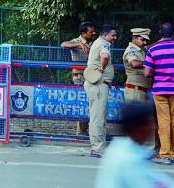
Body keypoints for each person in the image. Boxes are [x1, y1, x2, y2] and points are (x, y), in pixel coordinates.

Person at [144, 22, 174, 164]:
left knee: (163, 122)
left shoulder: (152, 50)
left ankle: (165, 154)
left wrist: (160, 71)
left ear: (161, 33)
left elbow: (147, 73)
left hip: (159, 90)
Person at [83, 25, 117, 158]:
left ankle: (99, 146)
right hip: (98, 84)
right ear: (105, 35)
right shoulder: (104, 44)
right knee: (98, 117)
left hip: (98, 84)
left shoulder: (99, 42)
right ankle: (97, 147)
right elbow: (105, 56)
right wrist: (102, 69)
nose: (115, 38)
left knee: (99, 116)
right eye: (113, 35)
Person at [63, 22, 97, 135]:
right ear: (83, 33)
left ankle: (89, 130)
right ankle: (81, 131)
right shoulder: (75, 41)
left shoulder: (96, 43)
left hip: (93, 78)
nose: (94, 33)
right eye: (91, 32)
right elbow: (63, 44)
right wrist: (79, 44)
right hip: (80, 78)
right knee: (82, 104)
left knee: (92, 104)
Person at [122, 28, 151, 103]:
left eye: (146, 40)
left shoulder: (140, 50)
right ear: (135, 38)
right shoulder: (131, 50)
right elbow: (134, 63)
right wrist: (150, 63)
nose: (145, 42)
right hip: (135, 91)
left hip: (142, 91)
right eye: (142, 40)